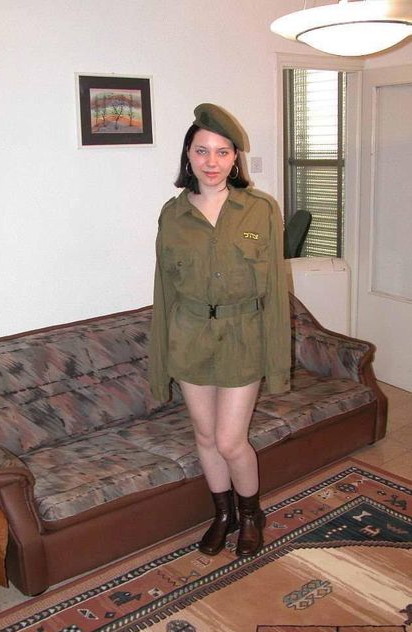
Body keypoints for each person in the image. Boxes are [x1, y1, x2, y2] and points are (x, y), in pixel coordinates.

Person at [148, 103, 291, 558]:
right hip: (189, 336)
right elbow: (164, 293)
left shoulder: (260, 210)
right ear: (187, 156)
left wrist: (278, 362)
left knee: (231, 440)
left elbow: (276, 291)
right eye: (202, 151)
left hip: (242, 334)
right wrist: (159, 366)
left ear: (235, 159)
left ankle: (251, 515)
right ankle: (223, 515)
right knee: (206, 437)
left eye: (222, 152)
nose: (212, 162)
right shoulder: (172, 215)